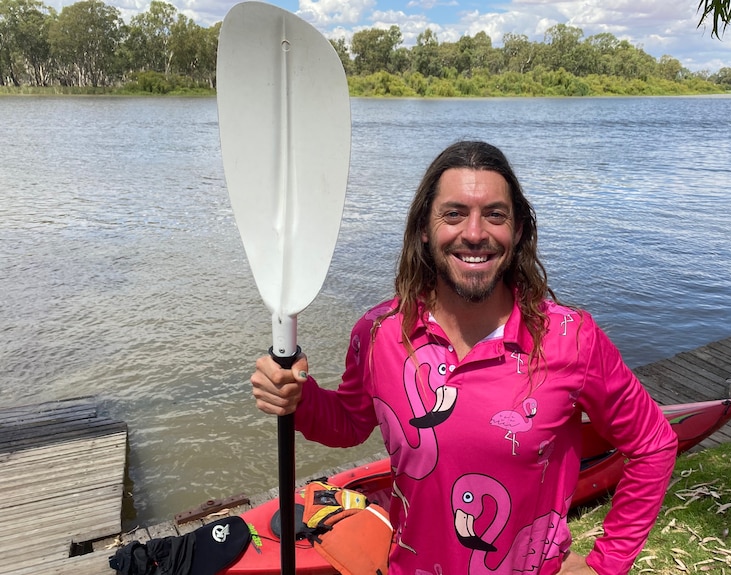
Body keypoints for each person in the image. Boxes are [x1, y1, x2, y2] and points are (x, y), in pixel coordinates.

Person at [251, 141, 678, 575]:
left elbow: (654, 445)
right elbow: (348, 422)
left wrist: (607, 564)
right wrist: (296, 395)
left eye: (495, 214)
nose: (474, 233)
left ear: (519, 231)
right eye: (453, 214)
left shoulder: (571, 339)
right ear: (424, 228)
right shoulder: (379, 332)